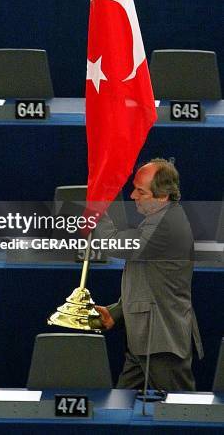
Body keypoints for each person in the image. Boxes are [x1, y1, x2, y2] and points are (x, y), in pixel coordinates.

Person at [95, 158, 203, 391]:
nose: (132, 195)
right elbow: (149, 281)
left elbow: (113, 244)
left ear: (162, 196)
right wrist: (116, 312)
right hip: (144, 340)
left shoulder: (165, 226)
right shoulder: (161, 218)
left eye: (140, 191)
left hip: (162, 341)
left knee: (179, 412)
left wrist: (96, 208)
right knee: (120, 410)